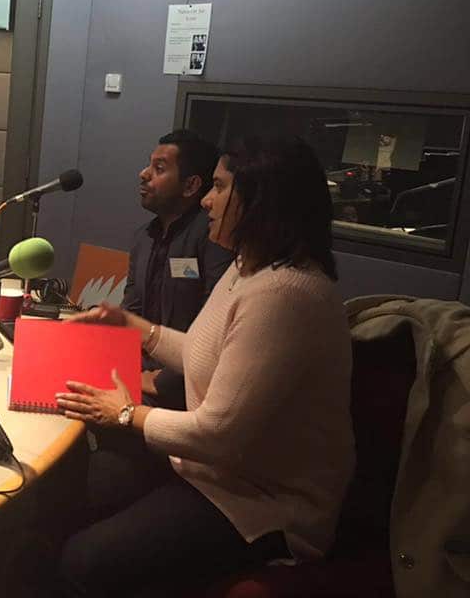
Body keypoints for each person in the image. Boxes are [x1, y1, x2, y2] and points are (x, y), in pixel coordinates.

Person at [56, 136, 355, 598]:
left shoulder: (286, 295)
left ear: (259, 198)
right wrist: (132, 326)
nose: (207, 201)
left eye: (219, 187)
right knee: (67, 497)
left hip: (260, 504)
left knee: (83, 560)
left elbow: (218, 434)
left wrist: (125, 413)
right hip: (206, 473)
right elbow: (204, 353)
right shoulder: (247, 267)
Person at [123, 130, 233, 409]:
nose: (143, 174)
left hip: (186, 385)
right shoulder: (143, 237)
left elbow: (215, 331)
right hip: (137, 373)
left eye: (159, 168)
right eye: (149, 165)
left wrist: (163, 381)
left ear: (191, 185)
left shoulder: (213, 238)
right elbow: (131, 311)